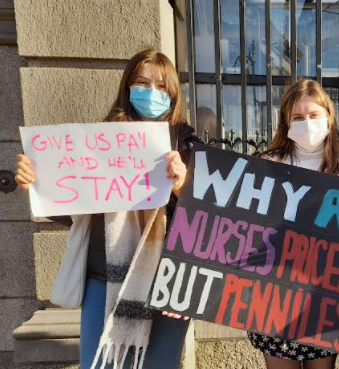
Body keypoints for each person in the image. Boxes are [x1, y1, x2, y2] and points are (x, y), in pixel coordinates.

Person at [15, 49, 202, 369]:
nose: (151, 92)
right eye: (142, 83)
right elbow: (74, 211)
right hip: (105, 280)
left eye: (161, 86)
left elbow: (208, 221)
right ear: (127, 87)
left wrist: (181, 187)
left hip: (168, 285)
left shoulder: (190, 147)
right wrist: (38, 183)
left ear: (173, 96)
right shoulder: (97, 142)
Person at [247, 78, 339, 369]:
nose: (307, 123)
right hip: (273, 294)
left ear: (329, 116)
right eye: (298, 117)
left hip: (324, 297)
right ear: (285, 121)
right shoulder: (266, 163)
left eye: (314, 115)